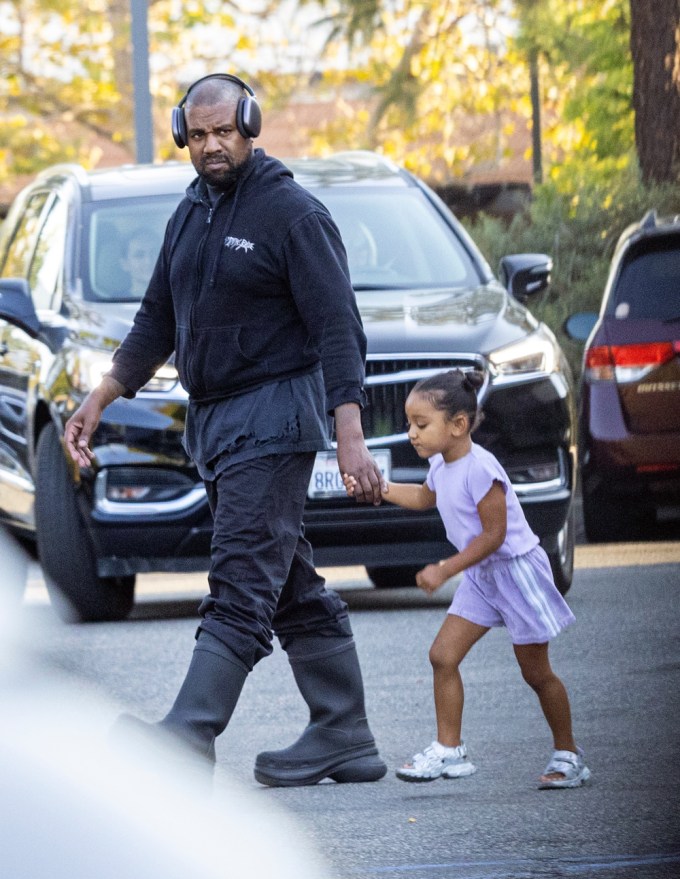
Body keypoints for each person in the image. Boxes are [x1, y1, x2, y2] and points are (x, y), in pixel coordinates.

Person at [64, 72, 387, 787]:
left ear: (251, 125)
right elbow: (156, 320)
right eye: (199, 133)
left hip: (273, 419)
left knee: (242, 574)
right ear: (184, 132)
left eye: (224, 132)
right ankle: (344, 730)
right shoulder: (192, 211)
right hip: (217, 424)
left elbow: (339, 330)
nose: (212, 145)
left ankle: (189, 734)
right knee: (287, 574)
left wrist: (351, 434)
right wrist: (103, 395)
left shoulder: (291, 214)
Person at [344, 369, 590, 790]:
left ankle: (569, 755)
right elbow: (425, 497)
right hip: (482, 577)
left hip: (515, 573)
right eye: (409, 424)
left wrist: (445, 569)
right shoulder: (442, 464)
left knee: (536, 673)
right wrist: (378, 487)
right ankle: (449, 751)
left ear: (458, 425)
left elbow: (493, 536)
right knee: (443, 656)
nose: (412, 434)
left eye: (421, 425)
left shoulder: (481, 469)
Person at [119, 228, 162, 297]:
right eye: (139, 255)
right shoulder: (112, 304)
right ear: (125, 264)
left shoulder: (180, 299)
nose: (148, 261)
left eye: (154, 253)